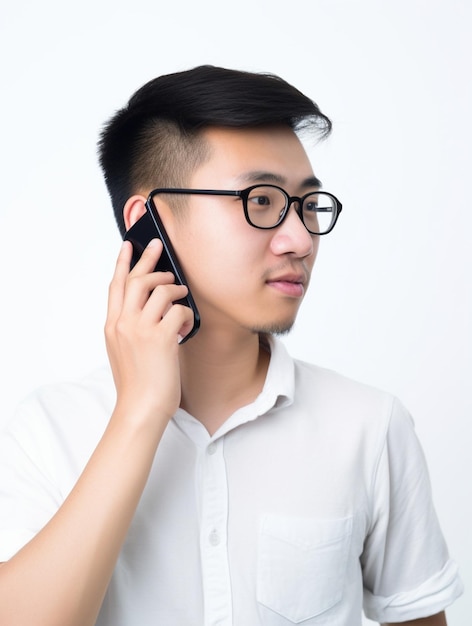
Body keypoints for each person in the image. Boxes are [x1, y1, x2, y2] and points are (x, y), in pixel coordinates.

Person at [0, 65, 463, 626]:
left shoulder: (368, 424)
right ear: (149, 223)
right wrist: (140, 412)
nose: (299, 240)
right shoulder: (50, 428)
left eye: (308, 205)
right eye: (261, 201)